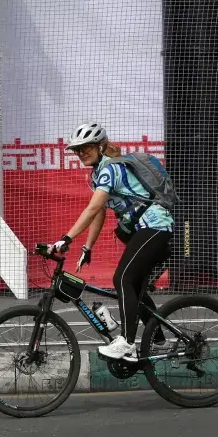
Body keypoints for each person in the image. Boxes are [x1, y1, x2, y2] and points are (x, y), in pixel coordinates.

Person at [51, 122, 174, 362]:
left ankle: (127, 343)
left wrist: (66, 238)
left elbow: (92, 208)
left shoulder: (110, 169)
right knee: (135, 286)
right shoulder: (98, 174)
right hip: (144, 230)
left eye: (86, 147)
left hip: (155, 226)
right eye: (78, 150)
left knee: (123, 279)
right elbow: (100, 212)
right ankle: (158, 340)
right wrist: (87, 247)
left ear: (100, 146)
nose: (81, 153)